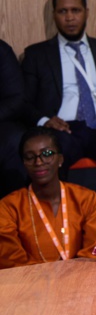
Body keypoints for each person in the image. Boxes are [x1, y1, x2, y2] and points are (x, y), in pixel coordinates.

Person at [20, 0, 96, 181]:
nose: (70, 18)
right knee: (48, 156)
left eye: (75, 10)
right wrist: (45, 120)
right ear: (54, 14)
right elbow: (23, 102)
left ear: (86, 13)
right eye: (63, 11)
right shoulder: (37, 54)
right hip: (62, 128)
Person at [0, 127, 96, 269]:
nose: (38, 162)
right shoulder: (8, 207)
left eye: (47, 153)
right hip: (30, 286)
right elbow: (10, 261)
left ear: (60, 159)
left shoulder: (86, 199)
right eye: (30, 157)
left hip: (80, 283)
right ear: (23, 163)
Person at [0, 39, 28, 197]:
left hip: (1, 122)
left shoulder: (1, 51)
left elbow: (16, 98)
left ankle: (13, 210)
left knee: (15, 139)